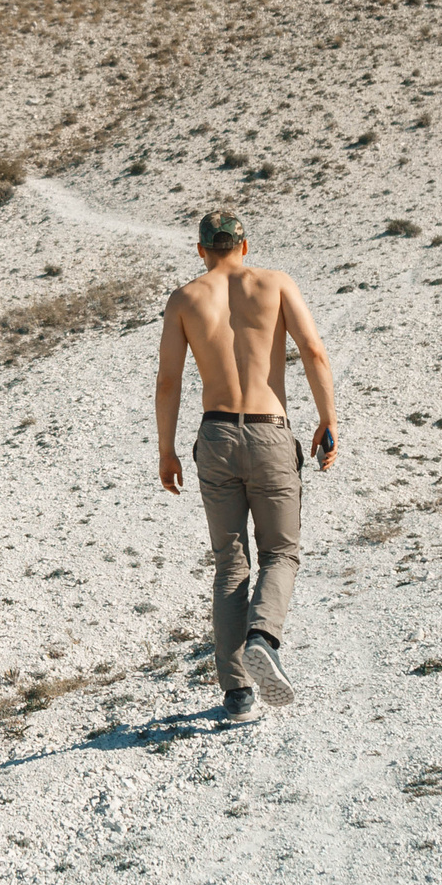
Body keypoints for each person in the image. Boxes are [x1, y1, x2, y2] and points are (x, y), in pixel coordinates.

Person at [155, 211, 337, 721]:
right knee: (280, 552)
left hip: (215, 435)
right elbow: (313, 351)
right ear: (245, 245)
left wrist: (167, 449)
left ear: (200, 250)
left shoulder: (184, 299)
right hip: (269, 430)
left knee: (230, 565)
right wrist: (328, 419)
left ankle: (236, 694)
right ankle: (263, 637)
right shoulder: (275, 284)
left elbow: (168, 381)